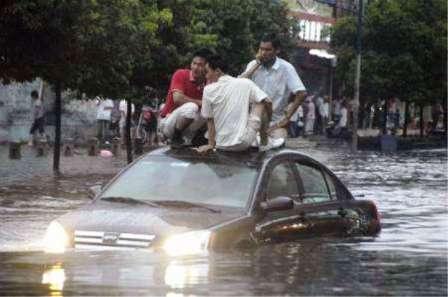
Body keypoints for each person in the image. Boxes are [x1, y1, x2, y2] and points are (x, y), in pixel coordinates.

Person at [195, 54, 284, 153]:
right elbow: (268, 102)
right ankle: (265, 143)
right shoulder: (245, 83)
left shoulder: (208, 90)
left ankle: (260, 139)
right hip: (242, 143)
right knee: (261, 102)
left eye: (207, 72)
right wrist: (269, 121)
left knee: (257, 102)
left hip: (220, 144)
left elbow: (209, 119)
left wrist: (211, 144)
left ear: (217, 71)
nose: (206, 76)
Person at [240, 33, 306, 139]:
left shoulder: (286, 68)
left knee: (279, 143)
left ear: (277, 50)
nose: (263, 53)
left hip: (274, 124)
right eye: (261, 49)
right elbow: (239, 85)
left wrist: (287, 118)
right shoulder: (253, 65)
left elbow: (302, 93)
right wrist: (257, 64)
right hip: (252, 121)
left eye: (267, 50)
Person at [159, 49, 212, 148]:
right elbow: (178, 99)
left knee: (210, 110)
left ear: (207, 67)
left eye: (200, 65)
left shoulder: (208, 83)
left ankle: (199, 138)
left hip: (189, 128)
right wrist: (200, 103)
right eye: (194, 63)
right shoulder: (181, 74)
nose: (196, 67)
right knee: (192, 107)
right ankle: (175, 136)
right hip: (169, 123)